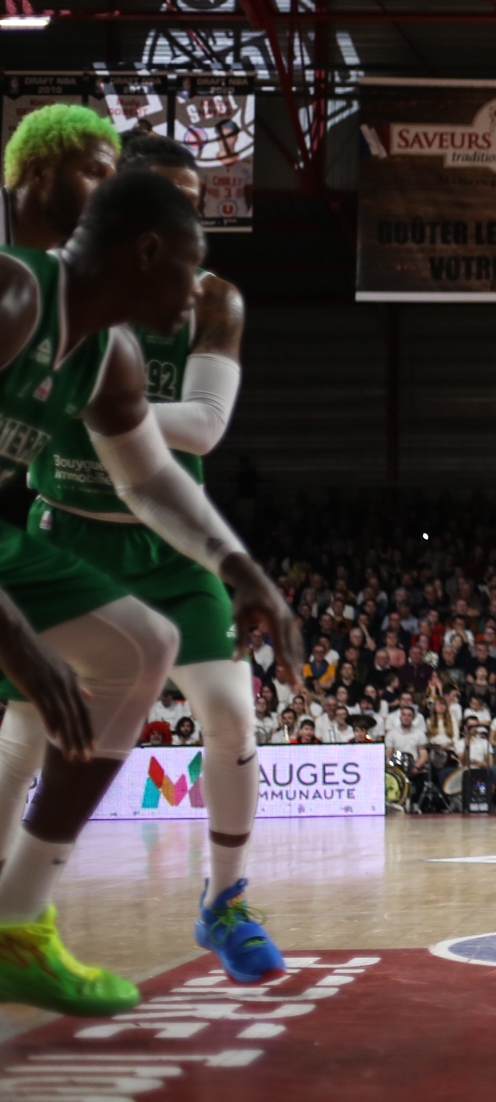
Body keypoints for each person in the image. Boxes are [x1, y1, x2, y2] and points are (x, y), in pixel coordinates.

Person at [0, 160, 295, 1010]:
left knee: (174, 667)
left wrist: (241, 567)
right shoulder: (20, 297)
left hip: (159, 552)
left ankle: (34, 919)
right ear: (145, 244)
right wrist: (18, 639)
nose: (196, 285)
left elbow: (153, 473)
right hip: (63, 531)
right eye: (189, 248)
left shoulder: (110, 352)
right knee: (26, 722)